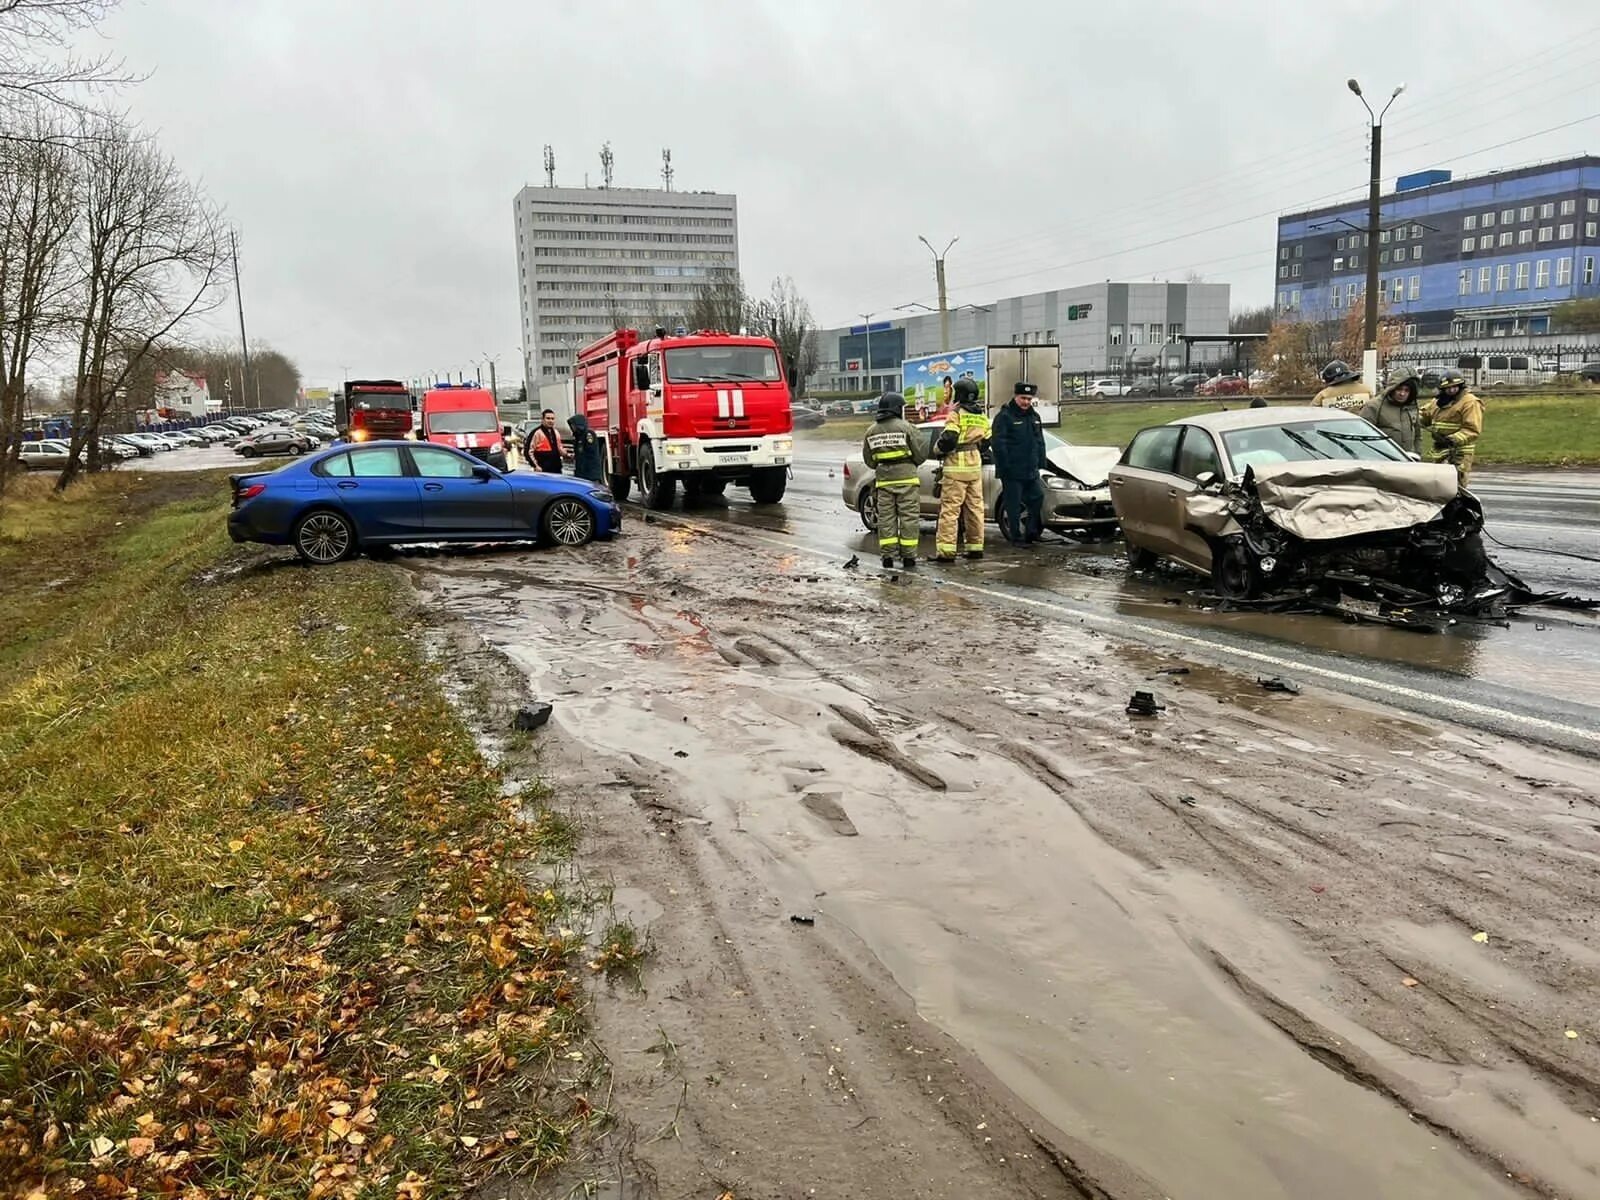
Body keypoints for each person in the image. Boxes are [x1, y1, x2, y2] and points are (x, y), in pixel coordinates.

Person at [861, 388, 927, 568]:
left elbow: (869, 460)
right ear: (897, 409)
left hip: (884, 483)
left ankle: (887, 557)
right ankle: (909, 557)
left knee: (886, 520)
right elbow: (920, 454)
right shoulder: (906, 427)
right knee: (909, 519)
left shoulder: (871, 431)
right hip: (907, 481)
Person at [933, 378, 990, 562]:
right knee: (975, 510)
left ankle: (946, 551)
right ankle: (975, 548)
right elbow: (987, 441)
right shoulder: (981, 415)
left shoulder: (956, 413)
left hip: (956, 469)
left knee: (950, 511)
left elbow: (949, 437)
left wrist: (939, 449)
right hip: (974, 468)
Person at [990, 380, 1048, 546]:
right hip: (1012, 471)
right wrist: (1005, 466)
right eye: (1023, 398)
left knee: (1037, 498)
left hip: (1031, 469)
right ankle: (1015, 537)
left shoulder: (1034, 417)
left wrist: (1041, 462)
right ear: (1016, 396)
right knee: (1013, 505)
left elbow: (1040, 441)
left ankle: (1031, 532)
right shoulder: (1005, 417)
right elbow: (998, 444)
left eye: (1029, 399)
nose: (1026, 402)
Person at [1420, 371, 1484, 487]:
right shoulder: (1437, 402)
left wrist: (1452, 440)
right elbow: (1424, 417)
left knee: (1456, 486)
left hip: (1460, 452)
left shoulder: (1470, 402)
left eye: (1454, 387)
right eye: (1447, 388)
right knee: (1439, 485)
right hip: (1440, 450)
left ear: (1460, 386)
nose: (1451, 390)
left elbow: (1472, 429)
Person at [1360, 365, 1422, 456]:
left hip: (1408, 459)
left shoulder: (1411, 406)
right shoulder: (1373, 406)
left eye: (1407, 390)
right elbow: (1362, 435)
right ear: (1392, 388)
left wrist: (1417, 453)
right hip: (1382, 460)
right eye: (1399, 389)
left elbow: (1417, 434)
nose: (1402, 394)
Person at [567, 412, 603, 481]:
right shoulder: (578, 437)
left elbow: (590, 452)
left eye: (573, 425)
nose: (572, 427)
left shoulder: (588, 434)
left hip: (590, 473)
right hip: (581, 473)